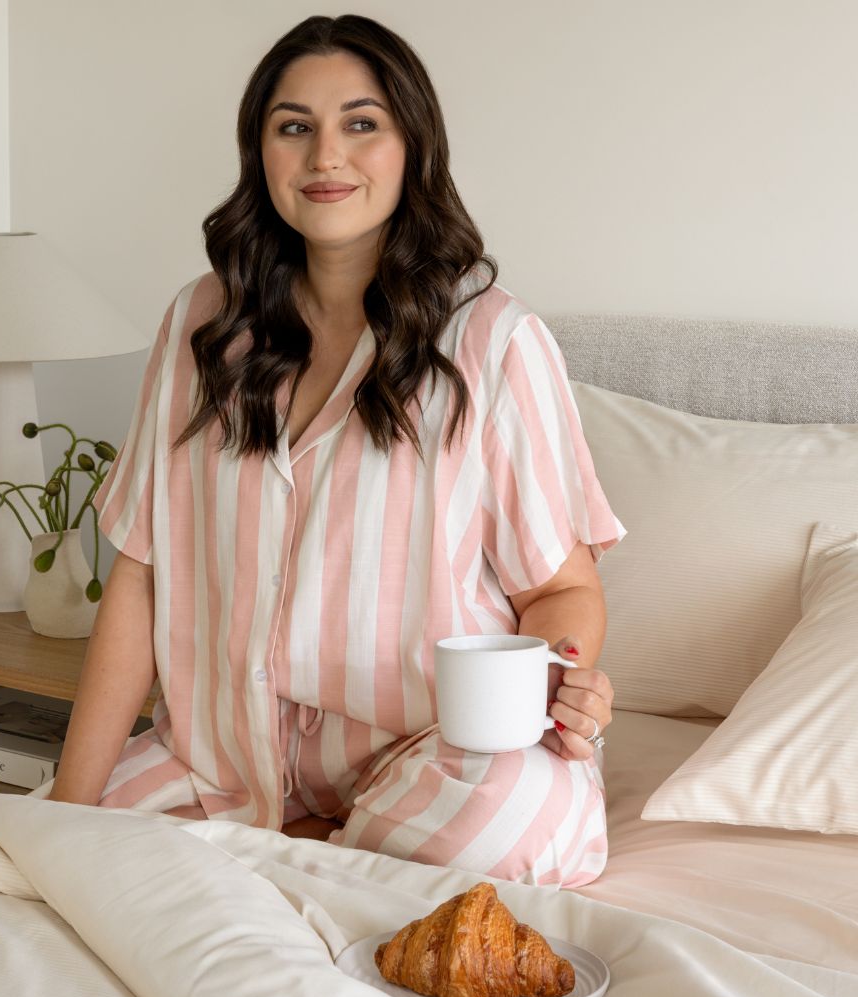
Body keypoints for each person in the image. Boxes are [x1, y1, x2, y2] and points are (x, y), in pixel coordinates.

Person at [42, 14, 626, 887]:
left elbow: (561, 589)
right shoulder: (203, 324)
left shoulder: (495, 342)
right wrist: (63, 816)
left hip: (440, 753)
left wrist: (564, 682)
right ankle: (316, 855)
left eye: (361, 123)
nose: (326, 157)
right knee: (45, 857)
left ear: (412, 147)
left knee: (513, 815)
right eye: (294, 127)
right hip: (224, 761)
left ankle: (304, 856)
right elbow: (140, 571)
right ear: (261, 152)